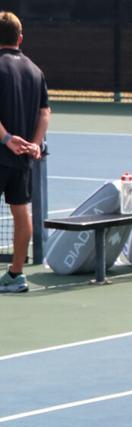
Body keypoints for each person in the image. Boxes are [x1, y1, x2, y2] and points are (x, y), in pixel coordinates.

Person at [0, 11, 50, 294]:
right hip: (23, 160)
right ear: (20, 38)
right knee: (22, 213)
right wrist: (35, 144)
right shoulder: (35, 70)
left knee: (21, 214)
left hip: (2, 152)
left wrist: (6, 138)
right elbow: (45, 112)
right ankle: (17, 275)